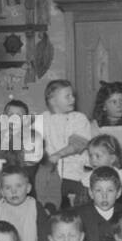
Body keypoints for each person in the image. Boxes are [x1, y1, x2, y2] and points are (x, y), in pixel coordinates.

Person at [37, 78, 93, 208]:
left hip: (74, 174)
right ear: (52, 100)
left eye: (72, 96)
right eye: (67, 96)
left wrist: (58, 154)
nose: (73, 99)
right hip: (49, 176)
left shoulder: (78, 118)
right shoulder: (42, 119)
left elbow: (78, 144)